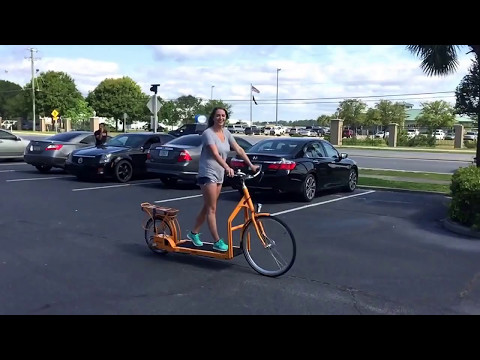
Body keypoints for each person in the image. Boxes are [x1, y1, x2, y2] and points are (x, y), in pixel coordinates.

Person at [187, 107, 259, 252]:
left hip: (219, 173)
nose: (221, 118)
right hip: (208, 173)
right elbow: (214, 153)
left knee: (208, 206)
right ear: (213, 118)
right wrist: (227, 167)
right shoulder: (208, 133)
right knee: (212, 209)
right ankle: (217, 241)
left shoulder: (226, 132)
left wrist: (250, 165)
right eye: (218, 115)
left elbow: (238, 149)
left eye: (223, 116)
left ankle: (193, 233)